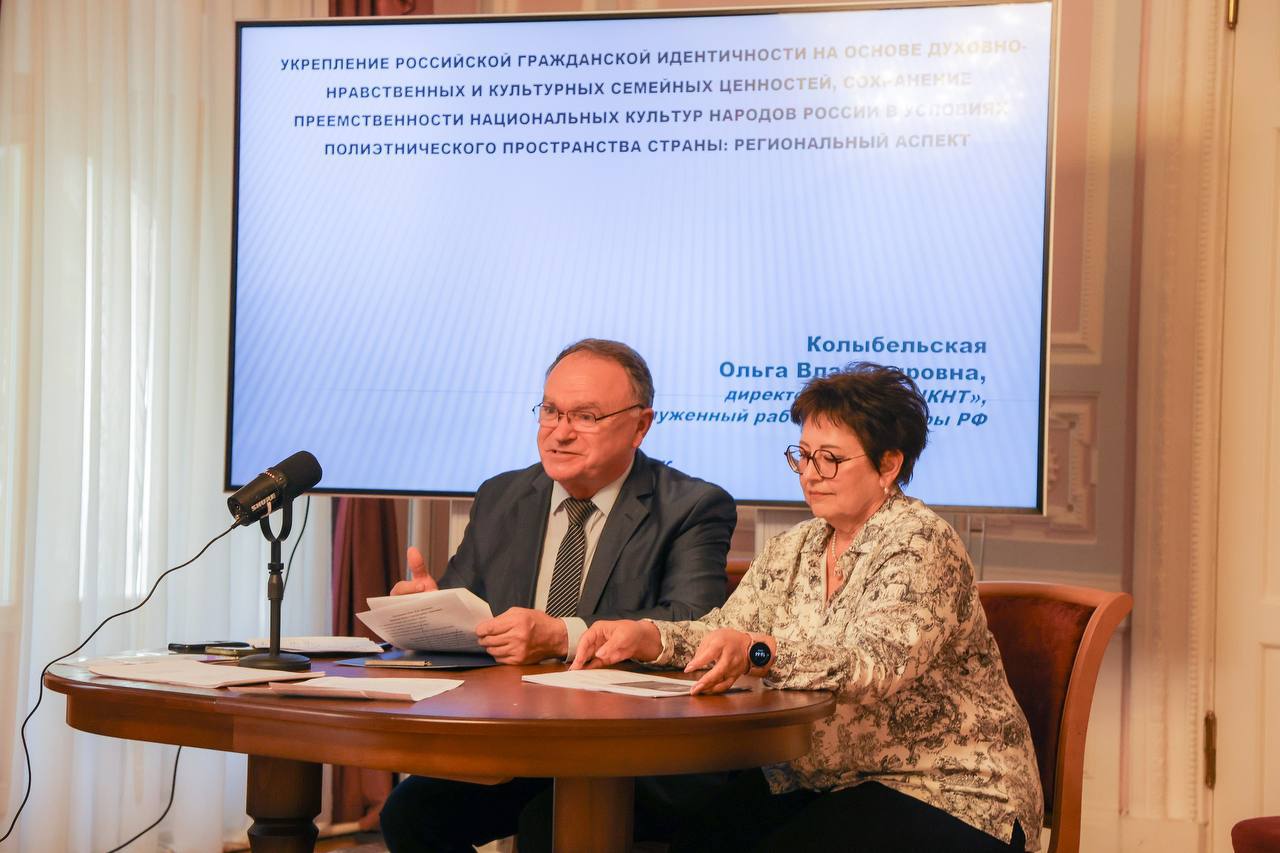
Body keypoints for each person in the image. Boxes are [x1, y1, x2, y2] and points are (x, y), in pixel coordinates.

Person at [570, 362, 1044, 853]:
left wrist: (759, 652)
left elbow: (873, 666)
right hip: (826, 781)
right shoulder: (796, 545)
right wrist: (650, 637)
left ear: (888, 465)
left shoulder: (922, 543)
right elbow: (726, 631)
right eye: (804, 456)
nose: (811, 475)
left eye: (830, 460)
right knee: (699, 840)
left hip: (949, 790)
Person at [379, 338, 737, 853]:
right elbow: (469, 613)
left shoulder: (692, 506)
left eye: (585, 416)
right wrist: (426, 612)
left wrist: (561, 635)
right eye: (550, 411)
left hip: (634, 749)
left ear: (640, 426)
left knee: (547, 826)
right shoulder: (502, 495)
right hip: (520, 735)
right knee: (411, 815)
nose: (560, 432)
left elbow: (692, 621)